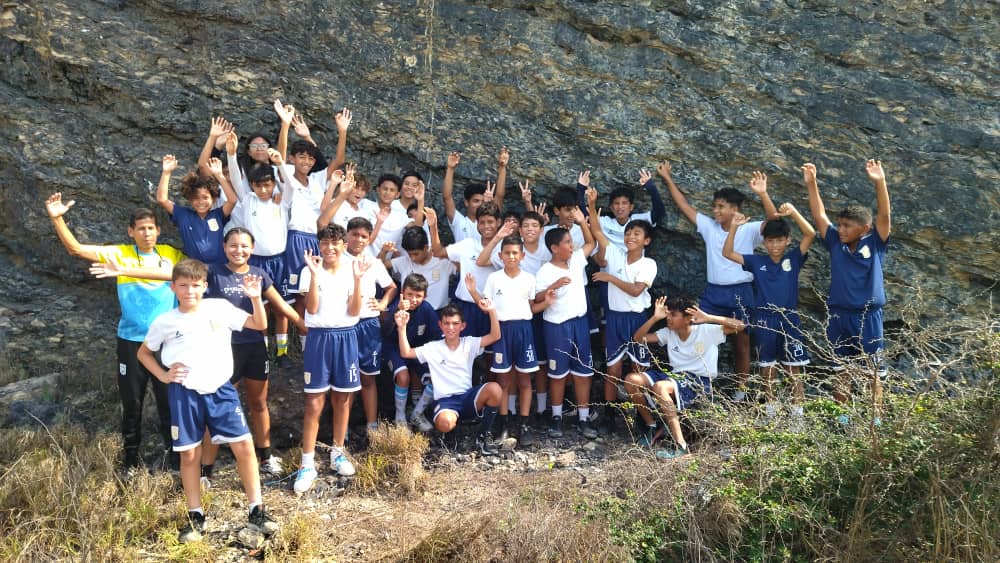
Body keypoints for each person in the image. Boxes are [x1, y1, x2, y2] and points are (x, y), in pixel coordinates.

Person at [136, 259, 278, 543]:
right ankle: (195, 516)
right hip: (184, 392)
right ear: (173, 287)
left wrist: (254, 298)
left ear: (205, 286)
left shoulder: (219, 308)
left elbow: (259, 324)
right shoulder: (165, 321)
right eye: (184, 285)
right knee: (189, 454)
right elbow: (143, 353)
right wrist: (164, 377)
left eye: (196, 285)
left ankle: (257, 509)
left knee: (244, 445)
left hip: (221, 389)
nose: (190, 291)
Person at [45, 192, 183, 471]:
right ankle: (130, 460)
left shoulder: (170, 254)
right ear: (131, 232)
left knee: (170, 403)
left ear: (158, 230)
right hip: (131, 342)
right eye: (140, 228)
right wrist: (57, 218)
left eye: (151, 228)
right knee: (132, 405)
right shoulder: (119, 253)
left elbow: (193, 274)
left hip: (167, 343)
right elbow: (76, 249)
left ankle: (175, 458)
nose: (146, 233)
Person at [658, 163, 779, 400]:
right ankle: (697, 384)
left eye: (721, 207)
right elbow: (684, 206)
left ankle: (741, 392)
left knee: (742, 341)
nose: (715, 211)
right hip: (714, 292)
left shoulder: (749, 229)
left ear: (735, 209)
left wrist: (763, 194)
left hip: (741, 291)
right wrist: (668, 178)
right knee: (697, 329)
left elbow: (775, 223)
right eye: (714, 206)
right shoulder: (709, 227)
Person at [199, 228, 306, 482]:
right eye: (233, 245)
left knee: (259, 403)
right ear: (224, 247)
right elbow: (177, 278)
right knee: (219, 406)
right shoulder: (212, 272)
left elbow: (280, 305)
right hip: (224, 349)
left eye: (244, 246)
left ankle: (266, 457)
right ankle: (206, 470)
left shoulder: (259, 275)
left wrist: (305, 326)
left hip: (256, 347)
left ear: (253, 247)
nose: (239, 250)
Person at [803, 161, 891, 424]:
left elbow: (884, 217)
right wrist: (811, 183)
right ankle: (842, 419)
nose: (840, 230)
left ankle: (876, 420)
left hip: (867, 316)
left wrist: (879, 181)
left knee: (873, 371)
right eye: (839, 225)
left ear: (863, 229)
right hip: (839, 315)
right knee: (841, 368)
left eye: (846, 226)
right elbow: (819, 215)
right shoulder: (835, 242)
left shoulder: (874, 242)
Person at [722, 201, 816, 421]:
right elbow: (727, 252)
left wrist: (794, 213)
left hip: (789, 317)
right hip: (763, 318)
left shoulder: (793, 258)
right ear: (763, 242)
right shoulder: (757, 261)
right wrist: (734, 226)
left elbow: (810, 234)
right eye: (770, 241)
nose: (774, 245)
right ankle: (771, 411)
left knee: (794, 367)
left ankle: (797, 415)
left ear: (787, 241)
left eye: (779, 241)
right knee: (767, 366)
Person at [293, 224, 367, 494]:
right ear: (319, 245)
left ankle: (338, 451)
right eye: (325, 243)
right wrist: (313, 275)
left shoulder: (354, 270)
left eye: (335, 243)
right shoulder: (309, 270)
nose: (329, 248)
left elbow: (355, 310)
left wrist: (359, 281)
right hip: (319, 338)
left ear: (344, 245)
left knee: (343, 398)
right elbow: (310, 308)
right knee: (314, 402)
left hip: (347, 336)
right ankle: (307, 462)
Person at [625, 296, 746, 458]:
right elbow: (638, 339)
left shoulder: (706, 331)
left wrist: (709, 318)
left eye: (673, 315)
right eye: (668, 315)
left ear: (688, 318)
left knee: (660, 387)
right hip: (675, 377)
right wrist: (655, 318)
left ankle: (680, 446)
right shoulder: (669, 333)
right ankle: (651, 426)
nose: (668, 318)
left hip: (698, 381)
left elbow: (741, 326)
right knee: (631, 380)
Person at [586, 186, 657, 435]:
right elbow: (596, 230)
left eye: (636, 234)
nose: (630, 237)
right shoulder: (615, 254)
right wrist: (592, 206)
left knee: (639, 371)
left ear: (646, 240)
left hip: (637, 320)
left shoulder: (648, 263)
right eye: (628, 233)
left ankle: (643, 416)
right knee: (613, 369)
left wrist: (609, 277)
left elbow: (637, 290)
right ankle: (609, 415)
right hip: (615, 319)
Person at [467, 232, 548, 446]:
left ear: (522, 256)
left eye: (515, 253)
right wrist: (473, 291)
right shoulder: (494, 278)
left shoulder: (529, 278)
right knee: (502, 380)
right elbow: (486, 306)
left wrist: (546, 303)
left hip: (524, 330)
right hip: (501, 330)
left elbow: (531, 307)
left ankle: (524, 425)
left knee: (524, 380)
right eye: (507, 253)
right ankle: (503, 423)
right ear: (500, 256)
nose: (511, 256)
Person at [395, 302, 504, 455]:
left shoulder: (469, 343)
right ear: (440, 325)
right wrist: (401, 328)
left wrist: (492, 310)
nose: (451, 327)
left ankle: (483, 436)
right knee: (445, 423)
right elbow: (406, 353)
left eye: (455, 323)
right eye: (446, 323)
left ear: (463, 326)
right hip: (445, 401)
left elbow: (495, 336)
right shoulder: (433, 347)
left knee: (495, 389)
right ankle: (450, 434)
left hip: (467, 398)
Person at [533, 211, 598, 439]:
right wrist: (554, 285)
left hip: (579, 324)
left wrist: (582, 222)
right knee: (558, 374)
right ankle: (557, 416)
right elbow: (538, 298)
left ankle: (583, 417)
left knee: (582, 372)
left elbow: (591, 242)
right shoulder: (544, 271)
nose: (572, 246)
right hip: (556, 327)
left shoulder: (577, 261)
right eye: (568, 242)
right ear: (554, 248)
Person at [344, 217, 397, 435]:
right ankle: (343, 428)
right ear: (347, 235)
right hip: (344, 325)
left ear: (369, 239)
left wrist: (383, 303)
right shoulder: (337, 259)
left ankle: (372, 426)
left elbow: (391, 287)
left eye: (364, 236)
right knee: (345, 379)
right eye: (354, 234)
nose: (358, 239)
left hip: (369, 324)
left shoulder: (374, 263)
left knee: (368, 377)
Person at [382, 274, 443, 430]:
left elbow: (436, 335)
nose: (413, 299)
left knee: (434, 376)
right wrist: (397, 313)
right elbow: (384, 331)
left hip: (417, 348)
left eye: (418, 296)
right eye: (410, 294)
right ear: (402, 292)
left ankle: (417, 413)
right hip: (394, 348)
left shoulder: (427, 309)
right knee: (403, 377)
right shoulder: (396, 305)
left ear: (425, 296)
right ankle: (400, 416)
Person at [435, 202, 502, 338]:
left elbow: (482, 262)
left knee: (488, 352)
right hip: (465, 307)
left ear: (499, 222)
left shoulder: (504, 248)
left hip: (491, 307)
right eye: (482, 222)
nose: (486, 226)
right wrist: (432, 226)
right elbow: (438, 252)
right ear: (477, 224)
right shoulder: (468, 244)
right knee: (462, 349)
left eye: (490, 222)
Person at [155, 155, 238, 265]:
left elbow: (232, 200)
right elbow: (162, 199)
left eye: (205, 197)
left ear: (213, 199)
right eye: (196, 198)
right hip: (196, 269)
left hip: (222, 267)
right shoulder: (183, 215)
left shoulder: (218, 214)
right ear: (189, 199)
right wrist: (166, 173)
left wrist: (219, 175)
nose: (201, 202)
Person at [387, 208, 455, 310]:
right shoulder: (404, 261)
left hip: (438, 314)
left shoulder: (444, 262)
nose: (412, 258)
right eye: (410, 254)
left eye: (416, 254)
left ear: (426, 248)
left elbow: (465, 267)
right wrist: (384, 252)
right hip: (411, 314)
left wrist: (433, 227)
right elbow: (379, 265)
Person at [442, 148, 509, 243]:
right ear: (466, 202)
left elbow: (500, 196)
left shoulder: (490, 222)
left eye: (483, 201)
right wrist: (450, 168)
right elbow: (447, 197)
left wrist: (502, 167)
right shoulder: (459, 221)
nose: (479, 205)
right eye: (476, 201)